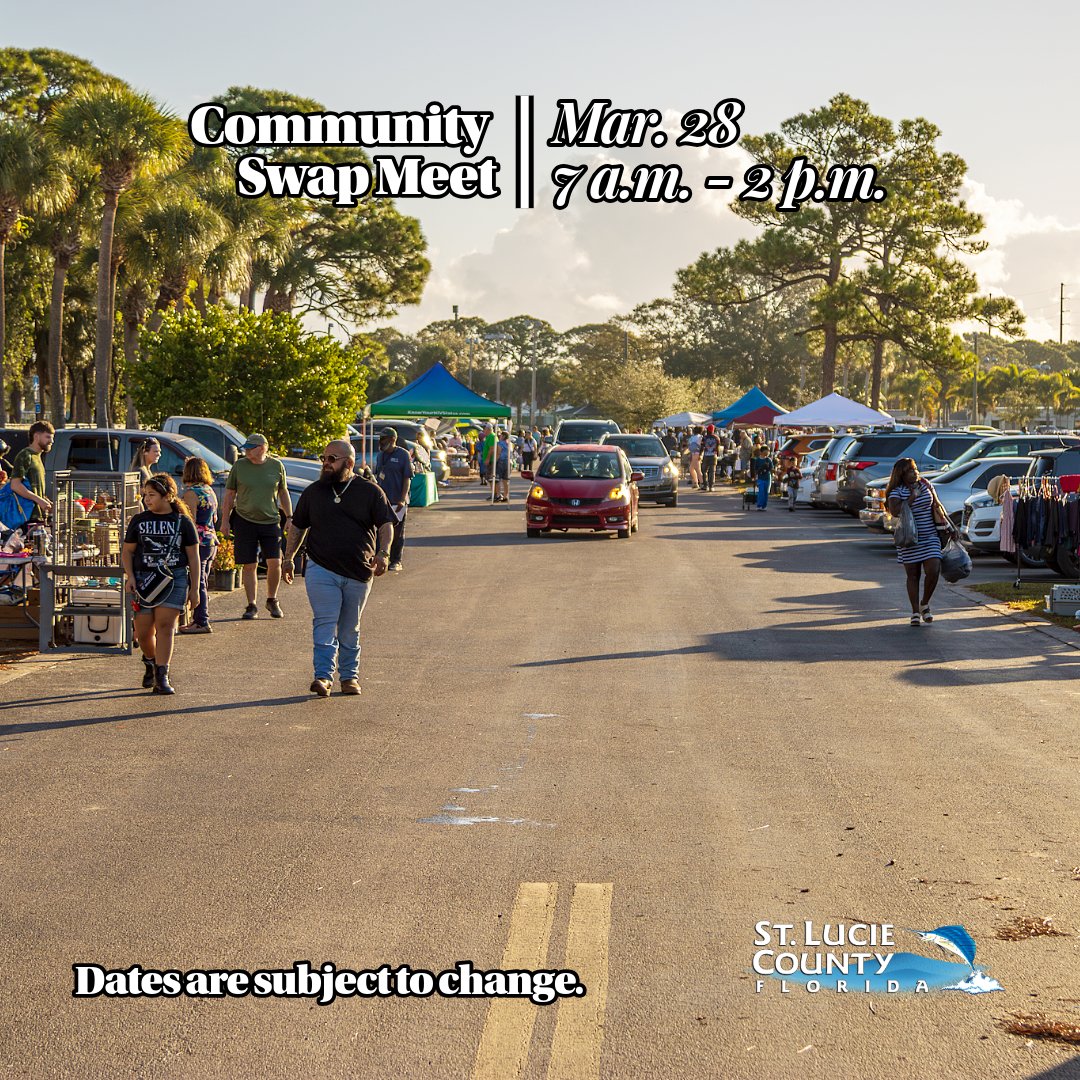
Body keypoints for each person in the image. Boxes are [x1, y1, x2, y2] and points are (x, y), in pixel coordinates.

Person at [282, 440, 396, 697]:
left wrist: (384, 553)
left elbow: (386, 524)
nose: (326, 463)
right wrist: (289, 558)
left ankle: (349, 677)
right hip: (321, 568)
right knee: (324, 621)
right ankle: (322, 677)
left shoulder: (370, 492)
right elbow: (298, 526)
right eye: (324, 458)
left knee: (349, 627)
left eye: (332, 458)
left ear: (350, 462)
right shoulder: (314, 492)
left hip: (359, 571)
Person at [121, 474, 200, 695]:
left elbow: (193, 557)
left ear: (168, 495)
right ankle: (150, 661)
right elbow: (127, 551)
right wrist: (130, 577)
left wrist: (195, 589)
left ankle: (162, 675)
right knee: (144, 632)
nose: (147, 499)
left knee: (165, 627)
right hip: (144, 580)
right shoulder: (139, 520)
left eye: (152, 495)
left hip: (174, 578)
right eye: (145, 495)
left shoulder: (183, 522)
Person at [220, 433, 291, 620]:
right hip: (244, 519)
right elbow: (229, 495)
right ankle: (251, 604)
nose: (246, 451)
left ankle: (272, 599)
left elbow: (283, 492)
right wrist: (225, 521)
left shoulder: (276, 466)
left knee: (274, 562)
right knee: (249, 564)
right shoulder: (239, 466)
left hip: (270, 520)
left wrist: (290, 516)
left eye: (250, 448)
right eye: (246, 448)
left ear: (262, 448)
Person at [886, 457, 954, 625]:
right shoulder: (897, 491)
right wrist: (911, 498)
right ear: (901, 475)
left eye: (915, 469)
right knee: (913, 575)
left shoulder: (925, 484)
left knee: (934, 568)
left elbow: (937, 506)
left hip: (930, 536)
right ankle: (915, 612)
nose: (915, 473)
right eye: (910, 470)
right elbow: (895, 512)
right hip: (909, 539)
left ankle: (925, 603)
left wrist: (951, 527)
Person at [179, 457, 219, 634]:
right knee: (203, 580)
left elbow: (190, 521)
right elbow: (214, 518)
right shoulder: (209, 490)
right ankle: (198, 618)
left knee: (198, 580)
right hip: (211, 540)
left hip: (199, 542)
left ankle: (201, 620)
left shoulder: (191, 493)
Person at [374, 428, 412, 572]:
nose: (381, 442)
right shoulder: (380, 456)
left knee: (397, 532)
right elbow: (379, 476)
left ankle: (396, 560)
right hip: (384, 500)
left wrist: (402, 499)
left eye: (383, 439)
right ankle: (381, 558)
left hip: (398, 500)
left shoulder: (403, 455)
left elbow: (407, 478)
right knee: (381, 531)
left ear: (392, 440)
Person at [9, 420, 54, 523]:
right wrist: (39, 500)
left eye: (52, 437)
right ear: (36, 436)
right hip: (26, 516)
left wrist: (45, 500)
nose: (51, 441)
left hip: (37, 516)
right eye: (48, 437)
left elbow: (34, 488)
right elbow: (15, 485)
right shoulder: (25, 455)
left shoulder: (37, 456)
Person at [750, 446, 773, 510]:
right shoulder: (757, 460)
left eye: (768, 451)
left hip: (767, 478)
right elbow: (755, 469)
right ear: (761, 451)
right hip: (760, 478)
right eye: (766, 451)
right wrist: (755, 477)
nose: (768, 452)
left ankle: (764, 506)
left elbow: (771, 468)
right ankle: (759, 505)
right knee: (761, 492)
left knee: (766, 492)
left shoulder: (768, 460)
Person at [700, 424, 721, 492]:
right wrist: (717, 454)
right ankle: (711, 486)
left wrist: (700, 454)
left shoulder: (704, 438)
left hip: (706, 455)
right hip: (713, 455)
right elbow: (718, 447)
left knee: (704, 470)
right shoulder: (716, 438)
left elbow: (702, 447)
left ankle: (705, 485)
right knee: (712, 471)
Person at [494, 429, 511, 502]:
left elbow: (498, 453)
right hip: (508, 461)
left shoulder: (500, 443)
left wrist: (495, 461)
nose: (499, 436)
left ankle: (498, 495)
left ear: (503, 436)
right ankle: (505, 496)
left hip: (501, 461)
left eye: (501, 435)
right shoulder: (509, 443)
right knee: (505, 480)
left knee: (497, 479)